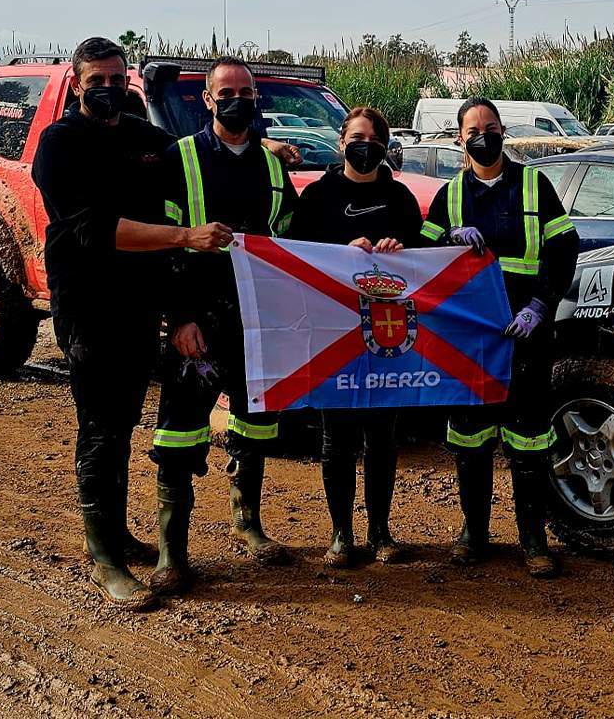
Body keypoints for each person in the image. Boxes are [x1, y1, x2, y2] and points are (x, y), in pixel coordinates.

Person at [31, 36, 232, 611]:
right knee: (102, 425)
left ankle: (115, 536)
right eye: (96, 80)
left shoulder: (146, 139)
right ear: (77, 84)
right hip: (90, 306)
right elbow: (94, 229)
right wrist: (185, 237)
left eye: (117, 79)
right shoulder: (60, 144)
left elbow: (197, 153)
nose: (108, 89)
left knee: (123, 419)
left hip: (142, 305)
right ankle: (106, 559)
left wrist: (266, 149)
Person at [150, 56, 302, 594]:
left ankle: (247, 523)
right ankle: (172, 553)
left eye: (246, 92)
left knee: (255, 421)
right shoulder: (181, 158)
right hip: (198, 318)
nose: (237, 100)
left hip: (256, 320)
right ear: (208, 100)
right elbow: (163, 246)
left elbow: (292, 242)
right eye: (227, 92)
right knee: (179, 430)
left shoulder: (273, 167)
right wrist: (179, 318)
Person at [419, 97, 579, 578]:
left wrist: (541, 305)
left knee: (529, 440)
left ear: (503, 132)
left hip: (524, 335)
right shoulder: (450, 195)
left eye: (490, 128)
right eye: (473, 130)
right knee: (471, 438)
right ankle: (474, 534)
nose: (483, 137)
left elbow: (563, 247)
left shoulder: (533, 184)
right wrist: (447, 239)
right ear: (459, 139)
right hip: (470, 339)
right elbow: (421, 257)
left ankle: (533, 539)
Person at [289, 106, 425, 568]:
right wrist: (340, 254)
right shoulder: (318, 196)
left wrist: (400, 250)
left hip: (388, 335)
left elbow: (424, 260)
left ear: (384, 147)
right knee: (337, 438)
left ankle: (380, 531)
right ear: (341, 142)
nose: (364, 147)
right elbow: (299, 258)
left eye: (374, 140)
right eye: (356, 138)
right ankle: (341, 533)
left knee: (382, 437)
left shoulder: (400, 198)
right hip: (334, 334)